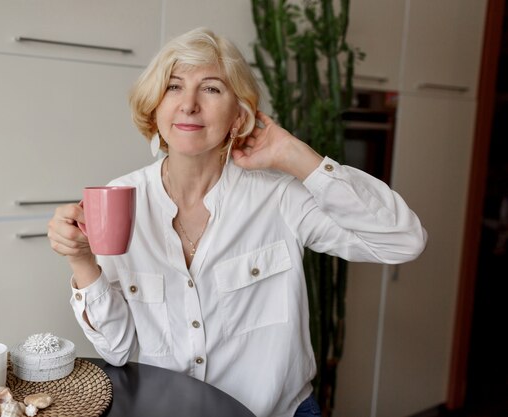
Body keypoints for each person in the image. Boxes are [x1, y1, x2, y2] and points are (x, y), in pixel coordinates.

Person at [47, 27, 427, 417]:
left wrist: (295, 155)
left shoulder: (278, 197)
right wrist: (82, 262)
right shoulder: (119, 198)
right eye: (173, 87)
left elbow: (403, 241)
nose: (189, 105)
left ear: (239, 113)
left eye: (211, 89)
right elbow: (117, 349)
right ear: (153, 106)